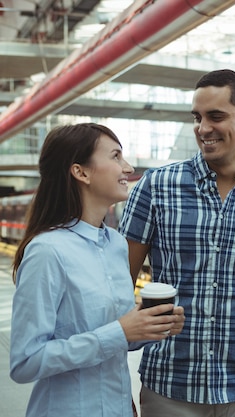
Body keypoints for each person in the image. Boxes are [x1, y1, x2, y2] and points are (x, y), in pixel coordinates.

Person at [118, 69, 235, 417]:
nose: (203, 128)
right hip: (169, 385)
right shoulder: (155, 188)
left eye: (216, 116)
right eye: (197, 118)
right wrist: (117, 388)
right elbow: (117, 289)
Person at [9, 123, 185, 417]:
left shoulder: (116, 245)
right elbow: (25, 361)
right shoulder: (47, 251)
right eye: (115, 156)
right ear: (81, 172)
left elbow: (115, 336)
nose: (127, 167)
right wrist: (119, 331)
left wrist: (145, 327)